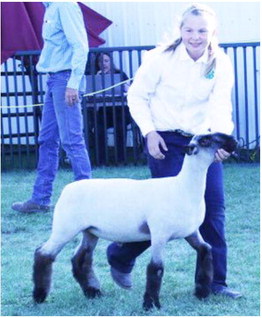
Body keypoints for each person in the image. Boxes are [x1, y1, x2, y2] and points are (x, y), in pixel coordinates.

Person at [107, 4, 242, 298]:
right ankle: (120, 255)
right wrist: (149, 133)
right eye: (189, 30)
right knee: (166, 214)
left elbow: (221, 105)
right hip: (165, 140)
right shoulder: (158, 59)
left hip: (203, 142)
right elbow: (137, 96)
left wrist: (221, 141)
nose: (196, 37)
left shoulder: (220, 62)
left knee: (211, 210)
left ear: (212, 32)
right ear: (180, 31)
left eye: (202, 31)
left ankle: (214, 283)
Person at [12, 2, 91, 213]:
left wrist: (73, 83)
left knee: (72, 141)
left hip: (64, 79)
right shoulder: (52, 6)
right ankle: (40, 199)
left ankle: (89, 201)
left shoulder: (64, 5)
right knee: (48, 139)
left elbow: (81, 45)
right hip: (56, 79)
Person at [94, 52, 131, 164]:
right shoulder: (95, 75)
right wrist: (98, 79)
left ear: (111, 62)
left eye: (106, 61)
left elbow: (130, 90)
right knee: (98, 128)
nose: (103, 64)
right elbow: (93, 93)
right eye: (100, 61)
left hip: (120, 111)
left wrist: (126, 87)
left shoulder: (120, 74)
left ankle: (121, 159)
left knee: (121, 126)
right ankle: (102, 160)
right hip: (104, 112)